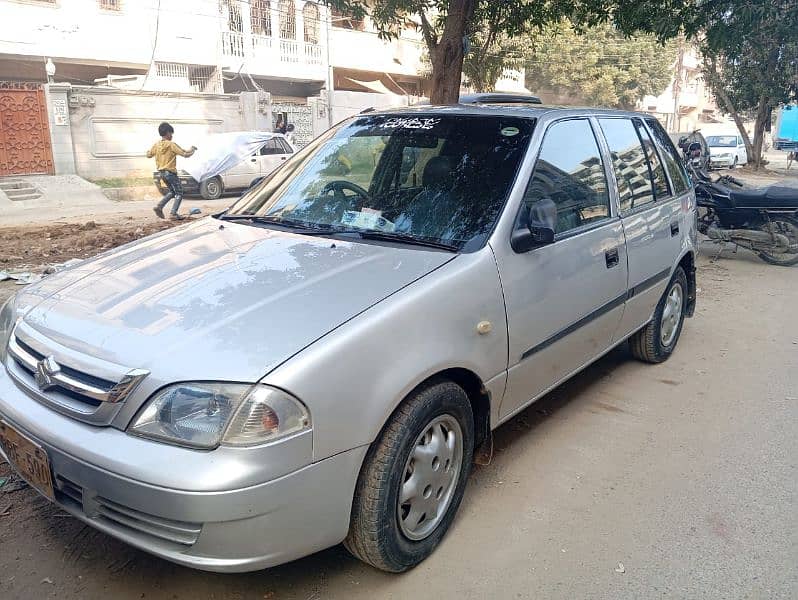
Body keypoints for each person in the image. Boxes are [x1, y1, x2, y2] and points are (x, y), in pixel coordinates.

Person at [147, 122, 196, 220]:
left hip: (161, 173)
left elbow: (148, 155)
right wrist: (193, 151)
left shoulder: (156, 145)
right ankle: (173, 213)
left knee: (173, 192)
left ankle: (159, 206)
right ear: (167, 133)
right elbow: (184, 154)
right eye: (171, 133)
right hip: (170, 173)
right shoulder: (171, 145)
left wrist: (190, 149)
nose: (172, 135)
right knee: (179, 192)